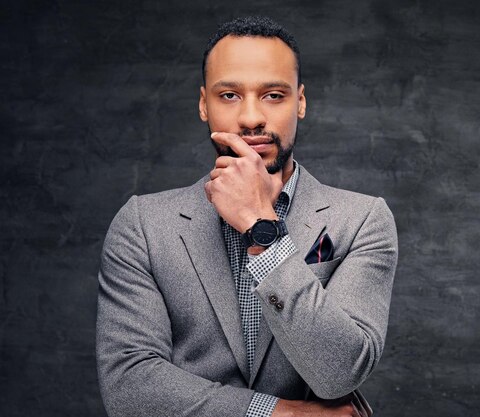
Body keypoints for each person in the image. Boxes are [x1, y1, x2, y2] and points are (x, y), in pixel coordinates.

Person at [96, 16, 398, 417]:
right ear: (204, 104)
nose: (252, 117)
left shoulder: (363, 221)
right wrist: (280, 413)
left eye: (273, 95)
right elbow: (129, 385)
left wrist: (261, 223)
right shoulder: (143, 225)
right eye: (229, 96)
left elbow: (340, 372)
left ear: (301, 102)